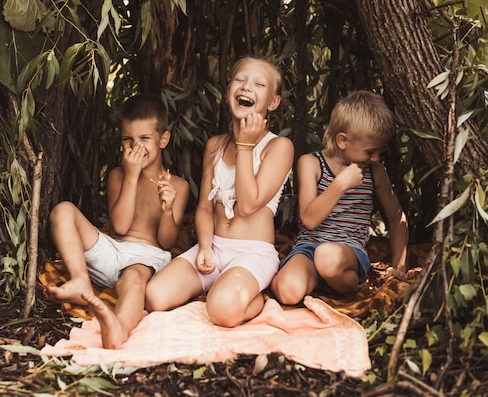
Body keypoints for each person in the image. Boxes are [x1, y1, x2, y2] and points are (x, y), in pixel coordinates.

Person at [145, 55, 294, 328]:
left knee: (222, 310)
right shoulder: (215, 145)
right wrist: (204, 247)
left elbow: (248, 206)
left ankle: (255, 297)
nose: (247, 87)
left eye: (259, 84)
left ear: (273, 102)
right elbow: (204, 206)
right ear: (228, 93)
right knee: (155, 296)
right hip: (214, 246)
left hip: (253, 253)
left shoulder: (279, 147)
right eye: (240, 80)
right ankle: (219, 283)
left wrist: (246, 146)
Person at [43, 94, 190, 349]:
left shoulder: (178, 185)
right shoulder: (118, 175)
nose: (136, 147)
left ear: (163, 139)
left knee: (133, 283)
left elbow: (167, 242)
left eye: (145, 138)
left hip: (146, 258)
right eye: (127, 140)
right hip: (112, 249)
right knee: (63, 210)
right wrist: (131, 177)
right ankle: (81, 281)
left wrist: (167, 210)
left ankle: (119, 328)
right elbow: (119, 227)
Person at [270, 90, 408, 306]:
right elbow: (308, 219)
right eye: (370, 151)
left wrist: (399, 265)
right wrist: (340, 184)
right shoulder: (311, 163)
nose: (376, 158)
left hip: (346, 254)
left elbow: (397, 218)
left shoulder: (375, 172)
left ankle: (349, 284)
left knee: (327, 258)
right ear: (342, 140)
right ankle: (317, 279)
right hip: (309, 248)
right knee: (288, 291)